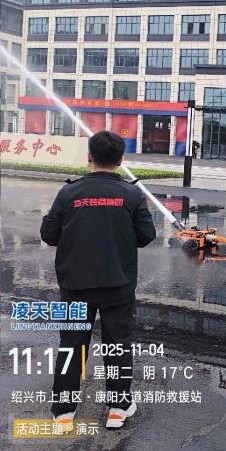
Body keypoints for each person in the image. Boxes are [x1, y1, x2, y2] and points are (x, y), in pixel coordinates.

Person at [40, 131, 156, 430]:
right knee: (118, 344)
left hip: (75, 284)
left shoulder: (69, 193)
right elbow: (146, 236)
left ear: (89, 156)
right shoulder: (131, 195)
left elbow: (49, 235)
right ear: (120, 159)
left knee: (72, 345)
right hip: (118, 283)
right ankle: (118, 408)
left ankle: (63, 412)